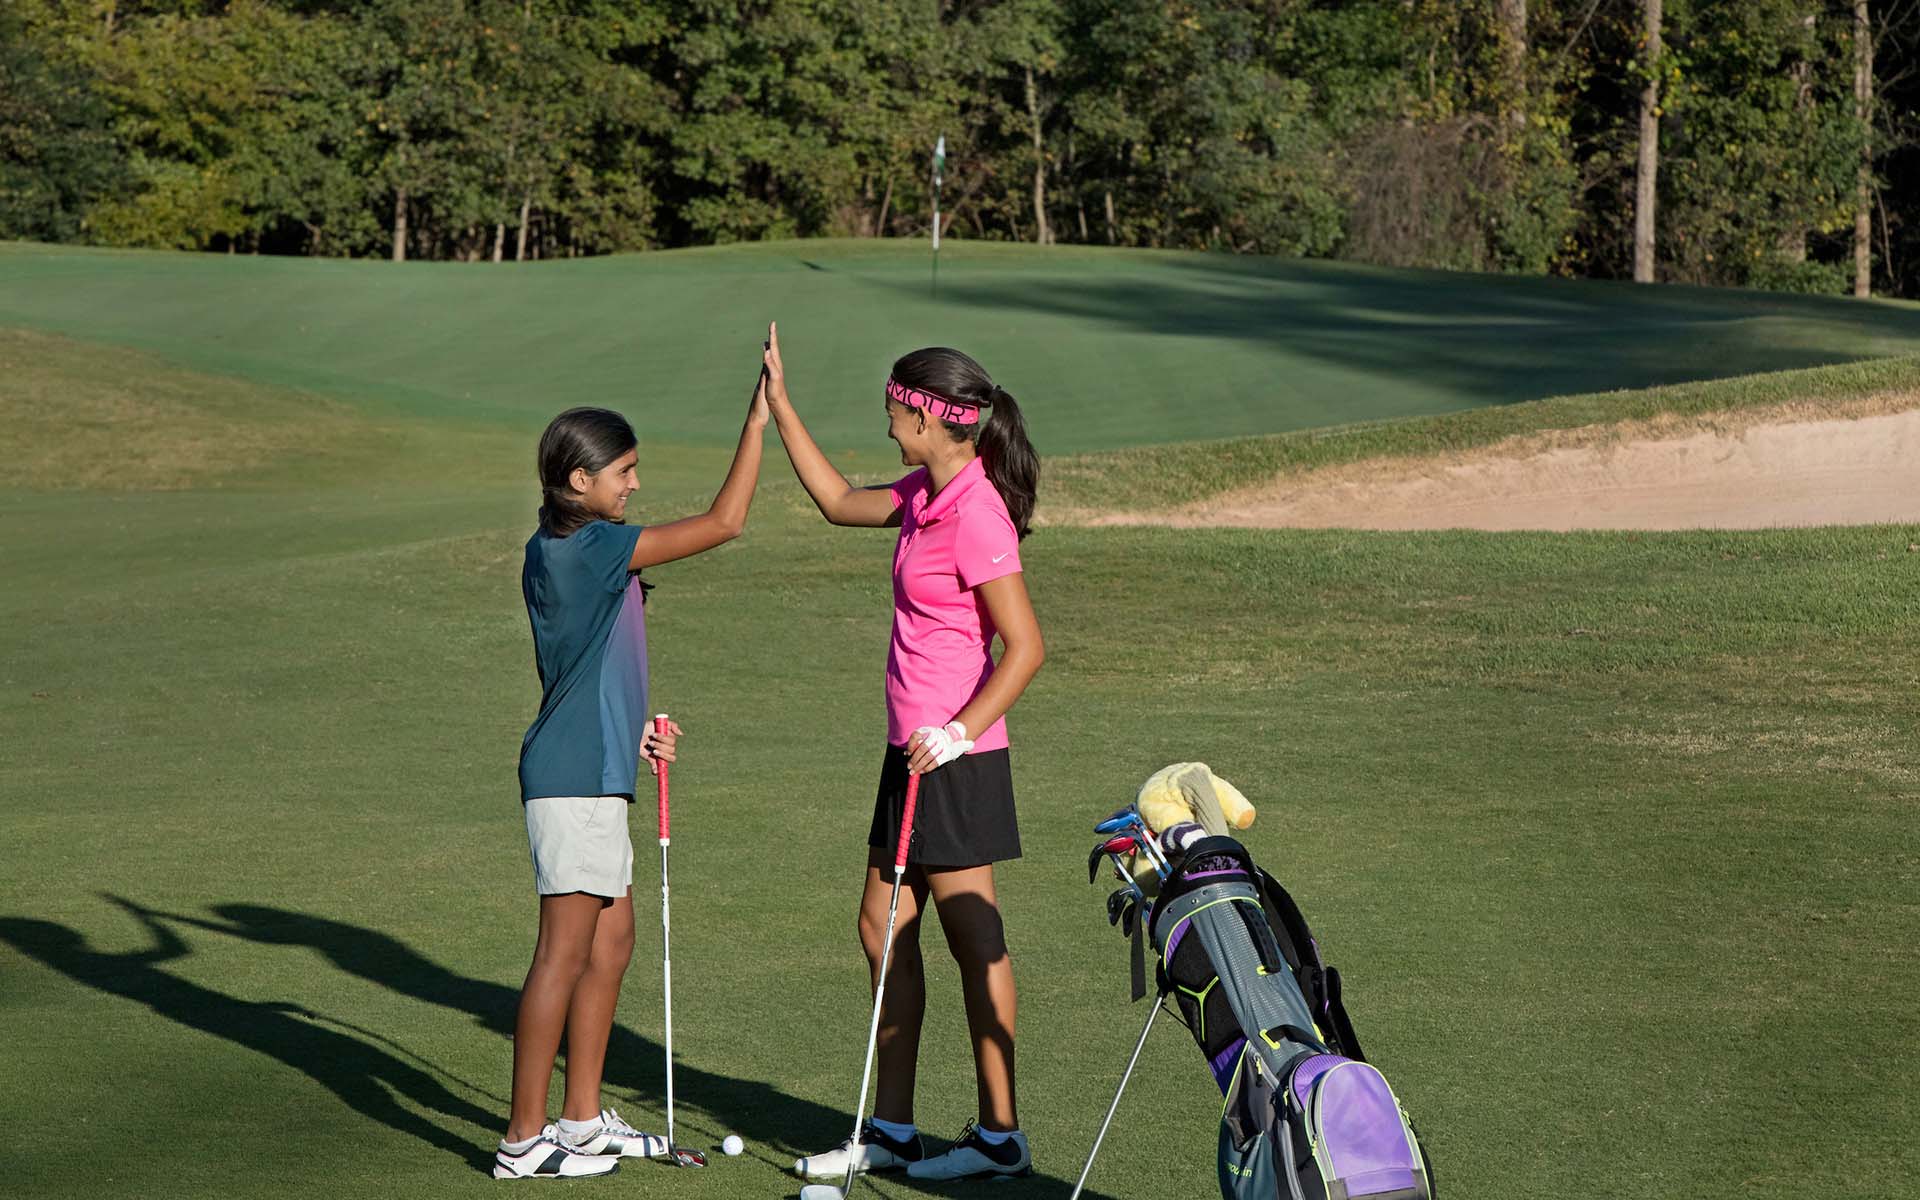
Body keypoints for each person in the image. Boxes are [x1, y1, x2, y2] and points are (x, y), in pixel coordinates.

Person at [764, 325, 1045, 1182]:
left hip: (953, 758)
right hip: (909, 755)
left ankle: (999, 1136)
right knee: (881, 927)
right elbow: (836, 501)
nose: (885, 421)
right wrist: (780, 407)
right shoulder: (926, 493)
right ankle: (891, 1129)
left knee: (974, 940)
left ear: (926, 418)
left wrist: (957, 731)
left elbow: (1026, 647)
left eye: (893, 408)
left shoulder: (977, 512)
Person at [494, 379, 769, 1180]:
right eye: (624, 471)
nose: (636, 483)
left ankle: (581, 1121)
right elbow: (725, 522)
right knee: (562, 955)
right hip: (574, 775)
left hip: (597, 767)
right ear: (579, 480)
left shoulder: (566, 546)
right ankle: (523, 1141)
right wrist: (757, 422)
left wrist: (635, 730)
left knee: (612, 944)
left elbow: (591, 662)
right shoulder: (589, 548)